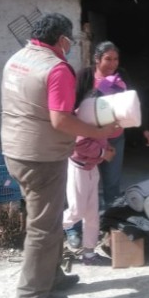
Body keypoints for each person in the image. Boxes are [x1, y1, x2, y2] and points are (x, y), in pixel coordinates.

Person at [0, 12, 122, 298]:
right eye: (71, 40)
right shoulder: (56, 68)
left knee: (50, 221)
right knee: (43, 227)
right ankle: (31, 296)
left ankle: (51, 277)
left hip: (16, 151)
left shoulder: (18, 58)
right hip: (41, 157)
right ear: (63, 39)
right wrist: (98, 131)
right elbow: (61, 120)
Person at [73, 40, 149, 224]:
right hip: (90, 140)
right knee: (85, 186)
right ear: (96, 59)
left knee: (112, 185)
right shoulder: (85, 76)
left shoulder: (122, 76)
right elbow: (75, 107)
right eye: (108, 59)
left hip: (115, 138)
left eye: (116, 59)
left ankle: (110, 224)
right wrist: (100, 89)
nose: (113, 64)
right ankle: (77, 227)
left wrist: (144, 129)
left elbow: (132, 104)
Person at [61, 80, 119, 266]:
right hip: (78, 168)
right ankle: (44, 233)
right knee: (76, 210)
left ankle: (89, 254)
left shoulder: (96, 118)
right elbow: (80, 144)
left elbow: (100, 139)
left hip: (91, 169)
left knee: (92, 214)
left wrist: (107, 147)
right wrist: (103, 153)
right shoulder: (81, 119)